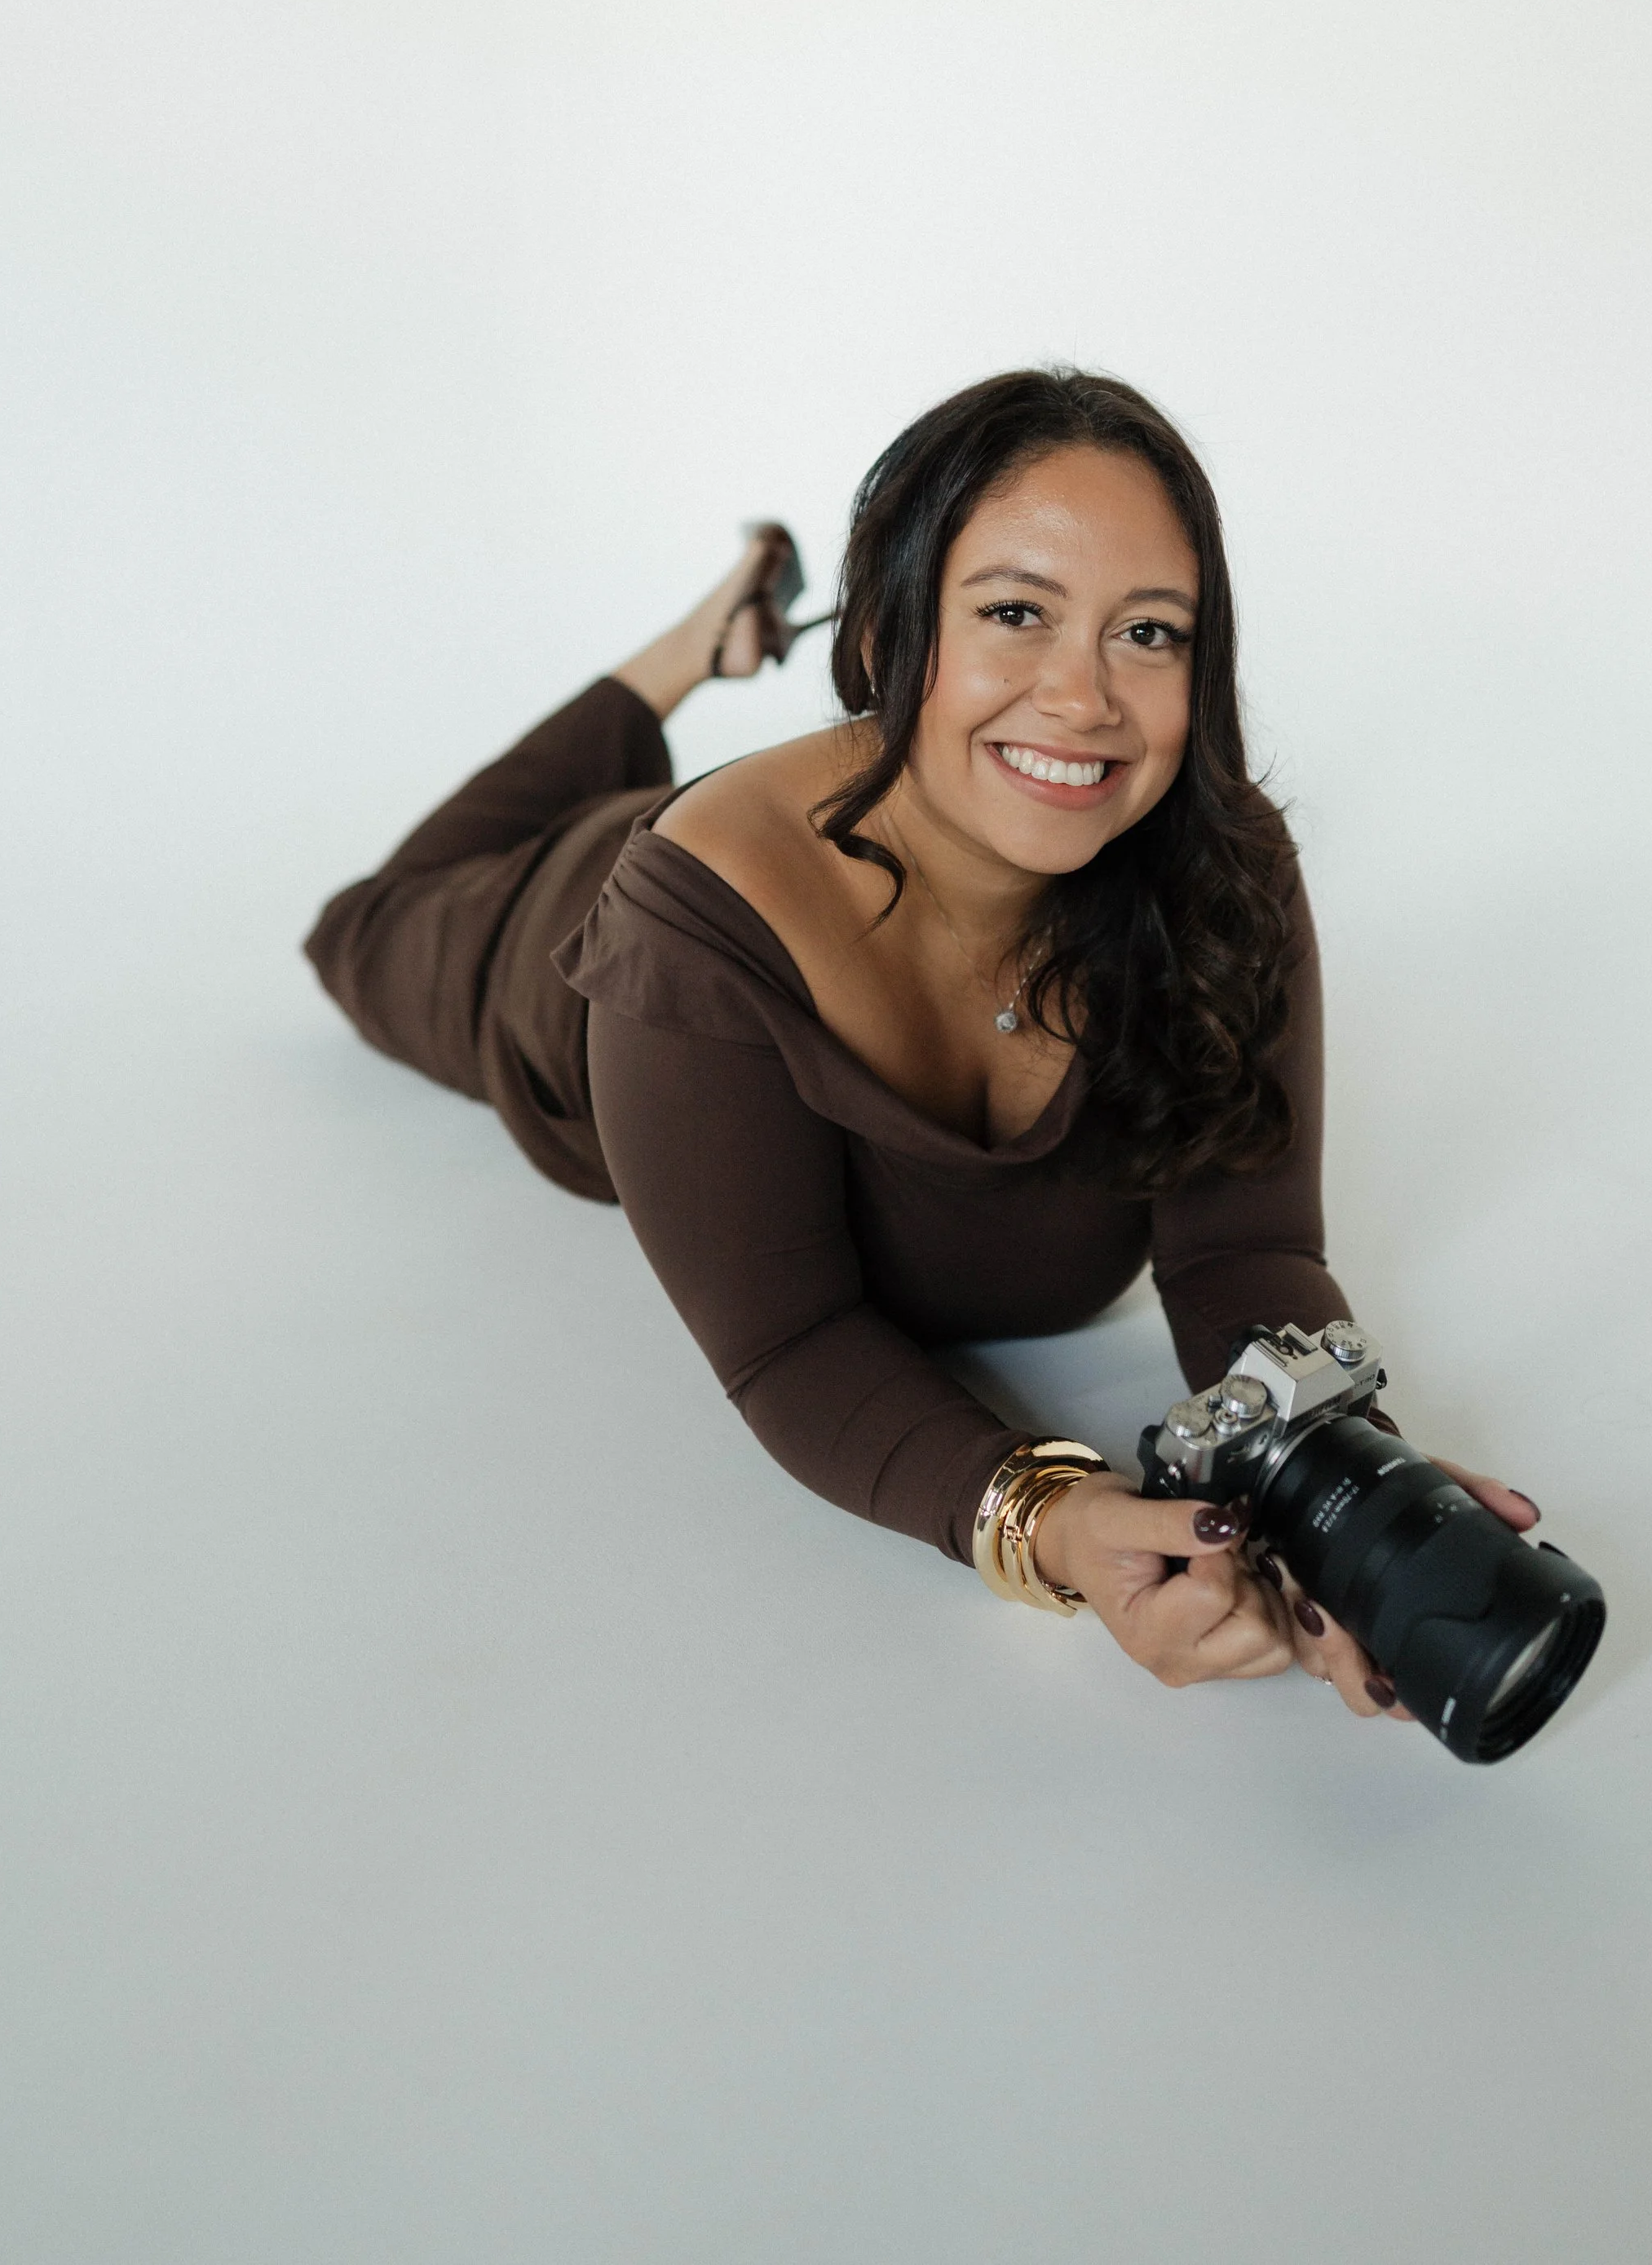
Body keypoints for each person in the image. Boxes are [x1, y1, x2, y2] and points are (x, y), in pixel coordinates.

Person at [306, 367, 1535, 1705]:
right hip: (557, 958)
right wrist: (1051, 1527)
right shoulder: (686, 934)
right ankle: (683, 654)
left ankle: (729, 644)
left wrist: (1353, 1499)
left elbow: (1243, 1248)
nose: (1082, 699)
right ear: (891, 638)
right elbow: (792, 1341)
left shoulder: (1221, 875)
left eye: (1149, 633)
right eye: (1016, 613)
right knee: (366, 929)